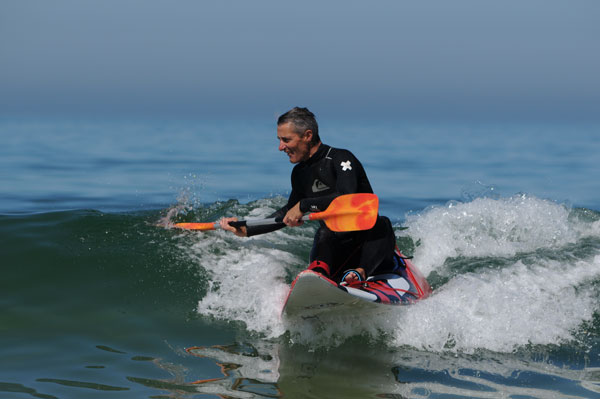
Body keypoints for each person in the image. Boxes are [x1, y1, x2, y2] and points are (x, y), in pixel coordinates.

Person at [219, 107, 399, 284]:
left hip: (369, 249)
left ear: (307, 135)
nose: (280, 147)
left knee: (382, 223)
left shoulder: (341, 158)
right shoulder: (299, 173)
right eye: (279, 140)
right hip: (340, 251)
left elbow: (348, 197)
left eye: (286, 140)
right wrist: (245, 229)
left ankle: (361, 272)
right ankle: (317, 274)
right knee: (325, 232)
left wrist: (304, 205)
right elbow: (288, 214)